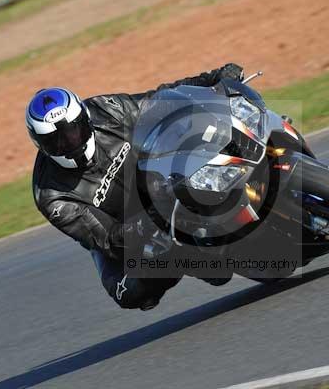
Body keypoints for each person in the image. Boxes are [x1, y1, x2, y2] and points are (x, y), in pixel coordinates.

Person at [26, 63, 244, 311]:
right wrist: (150, 218)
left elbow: (159, 99)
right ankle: (191, 260)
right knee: (129, 293)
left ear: (84, 119)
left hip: (158, 182)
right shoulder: (52, 195)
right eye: (56, 140)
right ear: (41, 145)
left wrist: (212, 79)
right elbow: (107, 239)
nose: (69, 142)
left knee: (199, 134)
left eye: (73, 131)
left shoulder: (106, 110)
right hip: (127, 236)